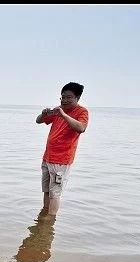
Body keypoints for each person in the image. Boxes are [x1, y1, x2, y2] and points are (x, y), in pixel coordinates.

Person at [35, 82, 89, 219]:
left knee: (55, 192)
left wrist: (64, 115)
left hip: (62, 160)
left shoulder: (81, 112)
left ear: (77, 98)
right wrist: (43, 114)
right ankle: (44, 214)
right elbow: (38, 121)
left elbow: (81, 128)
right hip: (47, 157)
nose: (64, 100)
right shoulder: (58, 109)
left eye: (68, 97)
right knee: (46, 190)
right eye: (62, 97)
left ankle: (50, 220)